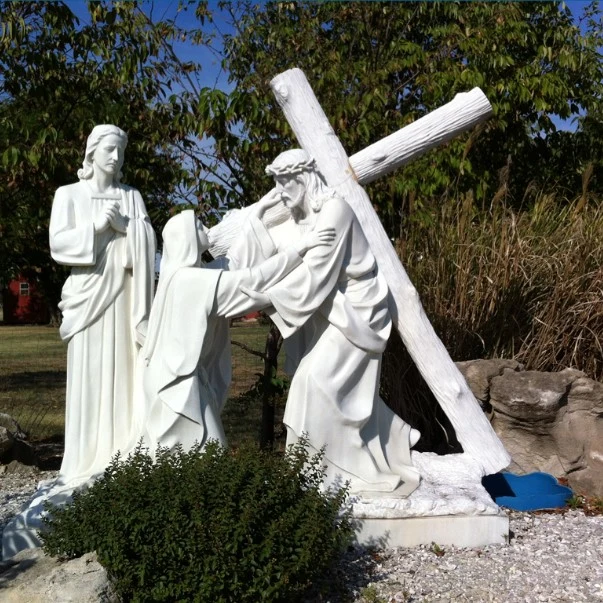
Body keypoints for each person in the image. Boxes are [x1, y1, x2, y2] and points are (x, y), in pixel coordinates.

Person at [227, 149, 421, 497]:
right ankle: (344, 460)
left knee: (314, 383)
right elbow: (263, 254)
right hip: (329, 311)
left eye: (285, 183)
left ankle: (343, 475)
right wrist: (256, 215)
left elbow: (316, 275)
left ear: (304, 179)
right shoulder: (299, 218)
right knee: (330, 391)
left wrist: (259, 297)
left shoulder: (335, 211)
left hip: (356, 313)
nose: (281, 192)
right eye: (276, 184)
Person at [140, 206, 335, 453]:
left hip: (176, 379)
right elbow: (250, 280)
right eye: (198, 225)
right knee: (203, 454)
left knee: (197, 455)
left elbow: (233, 264)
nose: (206, 227)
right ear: (186, 238)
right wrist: (301, 248)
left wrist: (256, 219)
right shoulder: (192, 281)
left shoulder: (180, 276)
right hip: (175, 387)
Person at [49, 125, 156, 486]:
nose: (115, 157)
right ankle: (82, 460)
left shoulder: (132, 197)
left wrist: (126, 226)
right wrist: (96, 227)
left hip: (125, 299)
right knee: (90, 374)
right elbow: (58, 245)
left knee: (125, 372)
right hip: (88, 297)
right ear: (91, 152)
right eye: (109, 150)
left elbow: (148, 245)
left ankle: (123, 453)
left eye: (120, 152)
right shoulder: (69, 194)